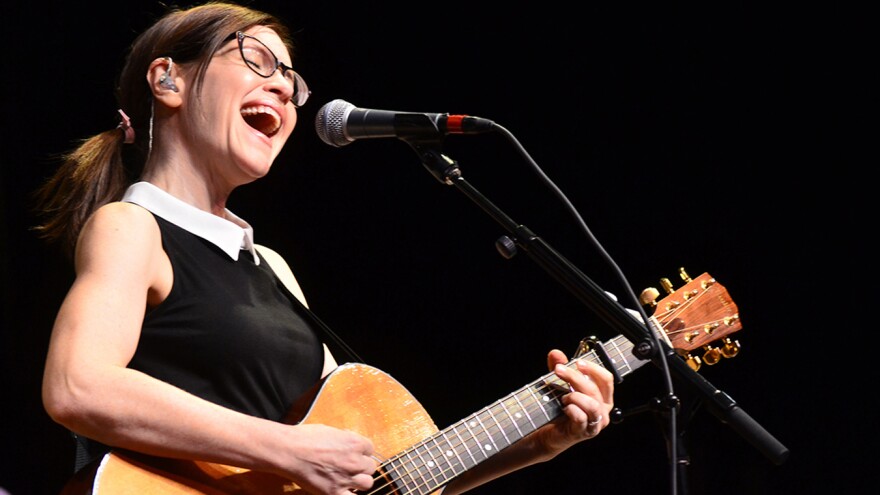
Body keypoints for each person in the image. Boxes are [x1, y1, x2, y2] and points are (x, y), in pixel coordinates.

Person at [34, 2, 615, 494]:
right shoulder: (132, 227)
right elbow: (77, 386)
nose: (285, 87)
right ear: (168, 81)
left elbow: (382, 477)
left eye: (293, 80)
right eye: (256, 60)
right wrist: (286, 450)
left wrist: (540, 443)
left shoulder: (272, 267)